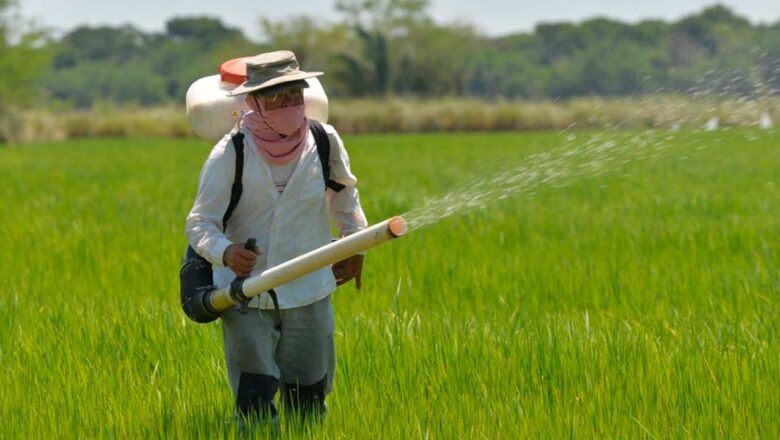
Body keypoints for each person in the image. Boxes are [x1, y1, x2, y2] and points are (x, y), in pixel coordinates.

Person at [185, 50, 368, 425]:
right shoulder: (231, 153)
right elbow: (200, 223)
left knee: (310, 396)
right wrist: (226, 252)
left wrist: (355, 243)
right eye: (276, 96)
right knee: (254, 397)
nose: (288, 104)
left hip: (310, 286)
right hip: (247, 293)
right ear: (253, 101)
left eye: (294, 94)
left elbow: (345, 192)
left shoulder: (324, 140)